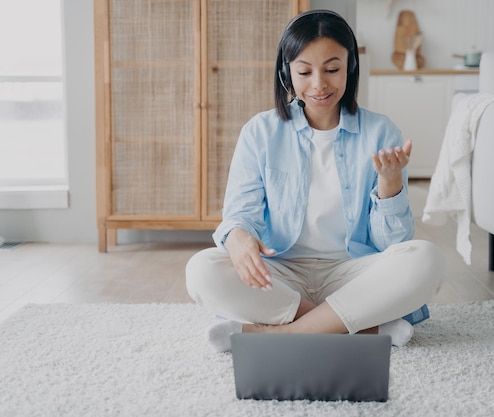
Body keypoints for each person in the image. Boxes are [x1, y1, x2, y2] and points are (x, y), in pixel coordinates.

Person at [185, 10, 444, 352]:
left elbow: (393, 243)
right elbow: (239, 213)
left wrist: (390, 183)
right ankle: (361, 328)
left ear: (350, 68)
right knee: (202, 269)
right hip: (281, 274)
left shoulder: (382, 131)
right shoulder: (260, 132)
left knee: (425, 258)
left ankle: (281, 333)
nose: (319, 84)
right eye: (305, 72)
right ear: (286, 73)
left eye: (332, 69)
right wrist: (237, 239)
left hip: (352, 273)